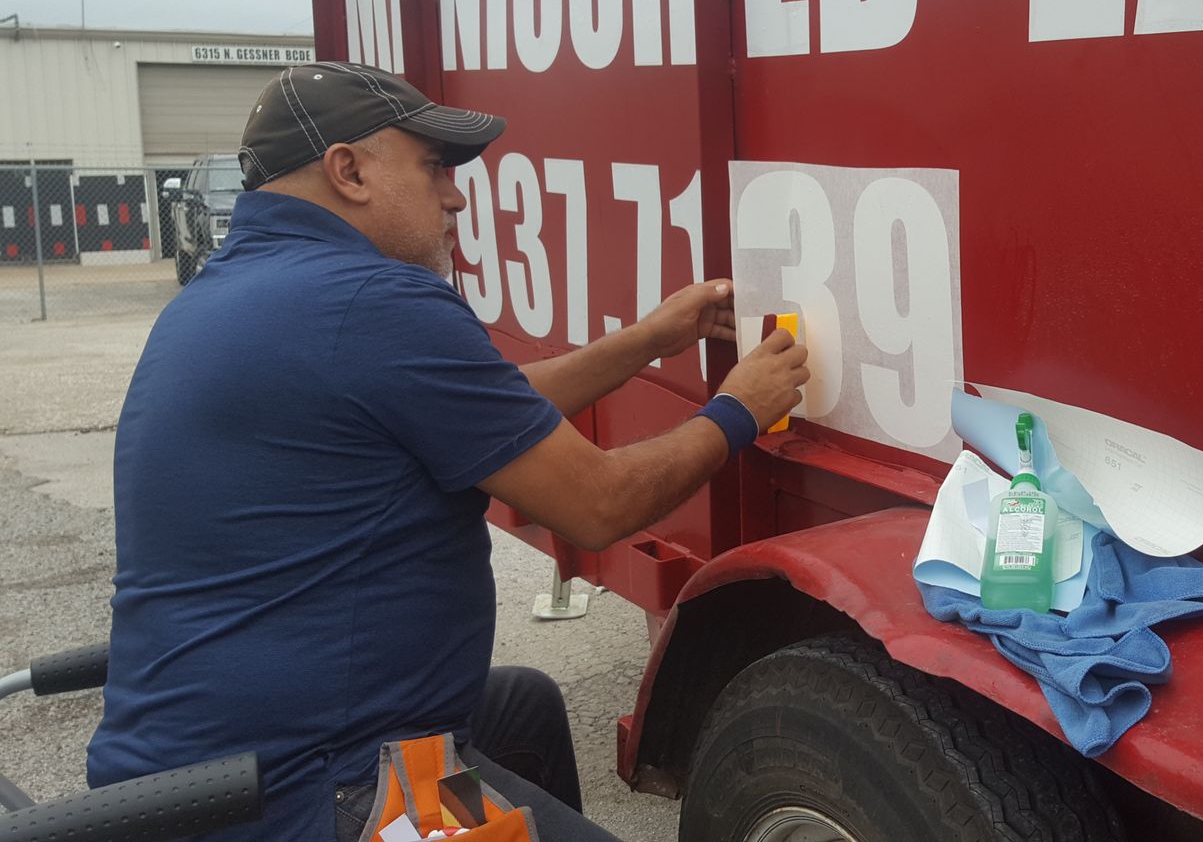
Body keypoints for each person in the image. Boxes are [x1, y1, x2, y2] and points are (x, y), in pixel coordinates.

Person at [86, 62, 809, 841]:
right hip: (323, 789)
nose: (456, 194)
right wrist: (738, 412)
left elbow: (480, 408)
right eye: (434, 166)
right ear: (349, 170)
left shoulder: (233, 294)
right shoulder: (375, 302)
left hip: (191, 778)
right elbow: (599, 505)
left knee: (521, 708)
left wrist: (647, 342)